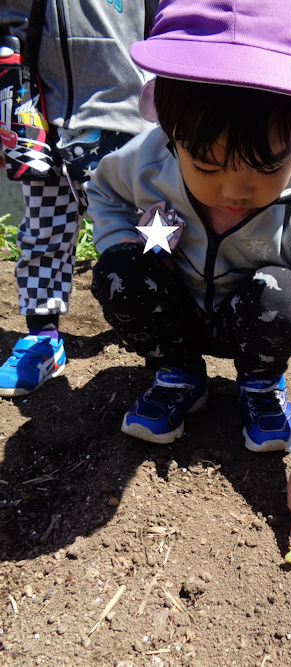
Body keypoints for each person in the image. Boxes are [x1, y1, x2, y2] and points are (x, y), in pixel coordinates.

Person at [87, 0, 291, 546]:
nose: (236, 189)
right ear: (171, 130)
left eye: (267, 164)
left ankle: (260, 385)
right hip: (176, 311)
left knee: (283, 290)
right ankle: (178, 374)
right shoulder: (146, 160)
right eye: (206, 164)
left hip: (249, 324)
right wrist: (130, 240)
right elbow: (102, 190)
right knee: (119, 272)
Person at [0, 0, 157, 397]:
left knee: (154, 234)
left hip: (132, 121)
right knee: (44, 233)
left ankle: (167, 342)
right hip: (45, 118)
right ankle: (43, 338)